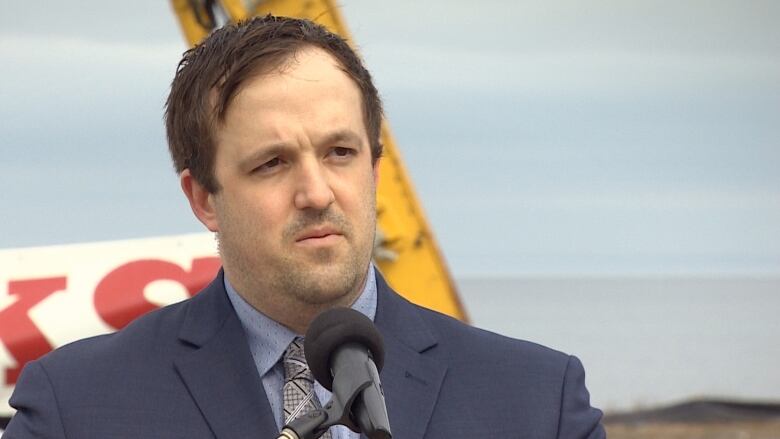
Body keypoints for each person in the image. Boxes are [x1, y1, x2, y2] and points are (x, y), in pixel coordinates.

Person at [4, 15, 605, 438]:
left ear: (375, 169)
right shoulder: (75, 408)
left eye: (340, 153)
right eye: (272, 163)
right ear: (204, 199)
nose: (317, 193)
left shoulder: (538, 401)